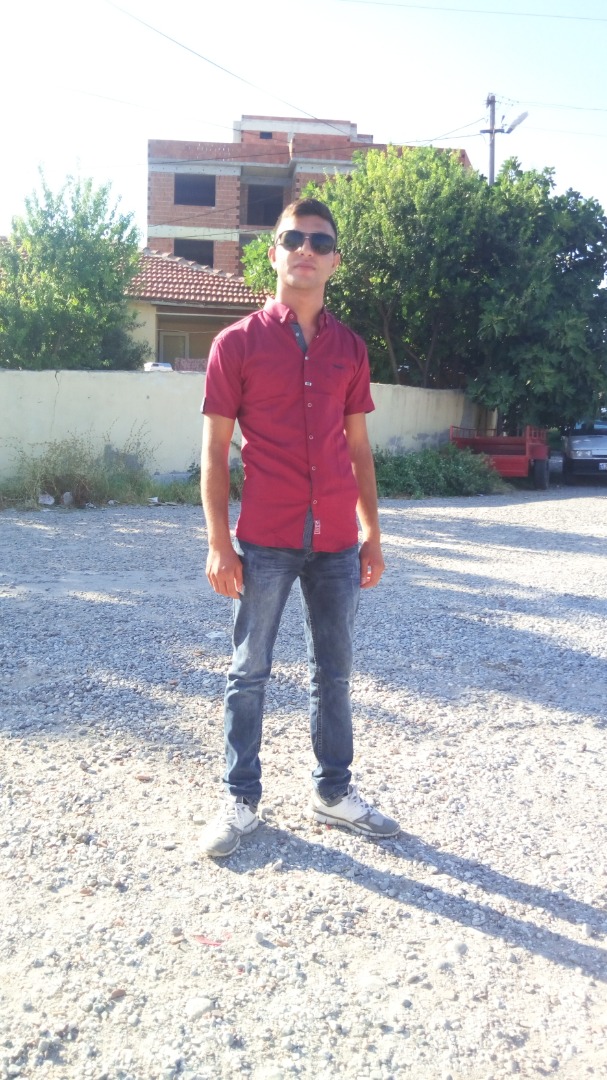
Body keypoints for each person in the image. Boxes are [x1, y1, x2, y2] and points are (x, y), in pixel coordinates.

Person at [199, 196, 399, 857]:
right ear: (274, 254)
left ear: (334, 260)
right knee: (248, 671)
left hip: (337, 540)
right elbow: (214, 451)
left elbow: (359, 448)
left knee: (333, 674)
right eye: (293, 240)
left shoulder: (350, 349)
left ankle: (332, 792)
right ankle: (239, 800)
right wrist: (218, 541)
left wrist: (372, 533)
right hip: (265, 538)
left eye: (319, 242)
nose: (306, 250)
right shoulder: (236, 344)